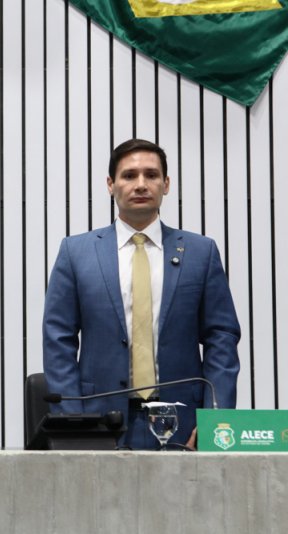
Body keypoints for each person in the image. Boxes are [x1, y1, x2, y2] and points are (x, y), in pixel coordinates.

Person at [43, 139, 240, 450]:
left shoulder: (201, 252)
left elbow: (221, 338)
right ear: (111, 184)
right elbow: (58, 340)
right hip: (99, 422)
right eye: (129, 175)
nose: (140, 184)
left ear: (166, 184)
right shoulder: (76, 252)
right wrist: (74, 422)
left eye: (151, 175)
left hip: (185, 424)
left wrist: (216, 419)